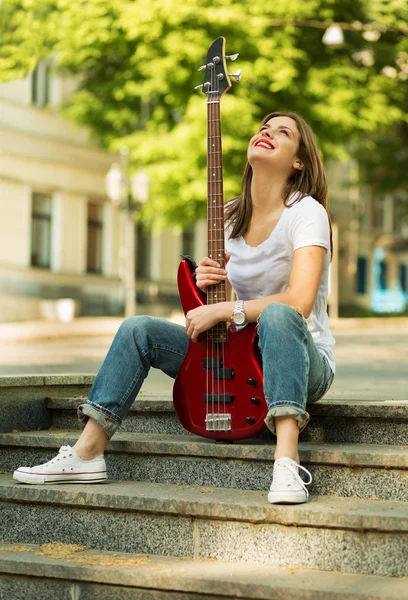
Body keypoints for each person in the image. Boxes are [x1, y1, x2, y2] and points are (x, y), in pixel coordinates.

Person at [13, 111, 335, 504]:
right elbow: (230, 300)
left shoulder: (307, 213)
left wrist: (221, 310)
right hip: (242, 357)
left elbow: (299, 301)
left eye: (282, 132)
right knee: (139, 329)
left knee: (279, 314)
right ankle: (88, 452)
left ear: (299, 161)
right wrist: (211, 288)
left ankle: (286, 461)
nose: (266, 132)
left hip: (302, 362)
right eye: (263, 127)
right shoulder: (232, 215)